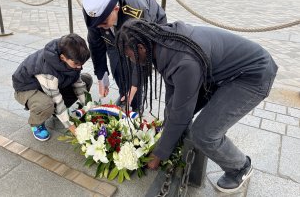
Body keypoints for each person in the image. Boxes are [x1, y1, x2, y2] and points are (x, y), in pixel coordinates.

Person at [115, 19, 278, 193]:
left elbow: (182, 113)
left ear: (141, 48)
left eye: (129, 55)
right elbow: (174, 94)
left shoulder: (184, 60)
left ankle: (240, 167)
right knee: (173, 111)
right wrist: (166, 134)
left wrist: (159, 154)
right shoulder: (160, 41)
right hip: (219, 72)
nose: (130, 60)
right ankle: (179, 140)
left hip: (252, 76)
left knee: (203, 133)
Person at [82, 0, 166, 110]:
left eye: (103, 22)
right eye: (97, 24)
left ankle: (135, 104)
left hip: (147, 26)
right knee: (117, 67)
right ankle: (123, 95)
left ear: (116, 9)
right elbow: (96, 46)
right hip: (114, 36)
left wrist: (133, 88)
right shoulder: (92, 13)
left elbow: (142, 58)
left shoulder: (136, 14)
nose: (100, 27)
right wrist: (101, 78)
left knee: (134, 69)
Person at [12, 34, 92, 141]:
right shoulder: (47, 70)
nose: (79, 67)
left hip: (49, 86)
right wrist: (72, 128)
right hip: (26, 88)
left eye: (81, 64)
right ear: (63, 58)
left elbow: (78, 84)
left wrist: (91, 108)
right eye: (76, 64)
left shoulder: (70, 54)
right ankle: (36, 123)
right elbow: (56, 99)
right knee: (46, 104)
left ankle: (56, 113)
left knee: (86, 80)